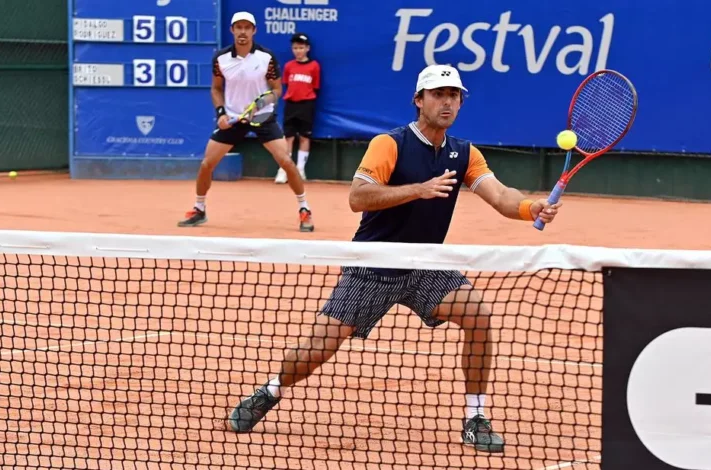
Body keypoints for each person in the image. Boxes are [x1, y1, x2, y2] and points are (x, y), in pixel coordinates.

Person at [223, 64, 562, 453]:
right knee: (316, 350)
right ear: (419, 101)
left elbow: (502, 196)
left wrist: (530, 208)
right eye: (438, 94)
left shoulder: (464, 153)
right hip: (374, 266)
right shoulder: (390, 144)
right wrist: (417, 190)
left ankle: (475, 417)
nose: (447, 102)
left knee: (479, 317)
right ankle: (271, 390)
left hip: (426, 266)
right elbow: (358, 197)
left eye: (454, 95)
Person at [178, 11, 315, 232]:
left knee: (287, 162)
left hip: (262, 117)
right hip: (233, 117)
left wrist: (262, 103)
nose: (242, 31)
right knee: (206, 165)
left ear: (254, 31)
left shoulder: (266, 58)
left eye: (247, 27)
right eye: (238, 27)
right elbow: (216, 88)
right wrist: (221, 113)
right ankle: (199, 208)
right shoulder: (221, 59)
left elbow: (277, 89)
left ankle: (304, 209)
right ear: (232, 30)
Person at [274, 32, 321, 184]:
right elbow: (287, 84)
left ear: (307, 48)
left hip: (307, 105)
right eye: (295, 48)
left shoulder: (314, 66)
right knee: (288, 137)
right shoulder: (288, 66)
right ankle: (284, 170)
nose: (298, 51)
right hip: (291, 105)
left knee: (304, 137)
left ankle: (300, 170)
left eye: (301, 47)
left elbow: (315, 86)